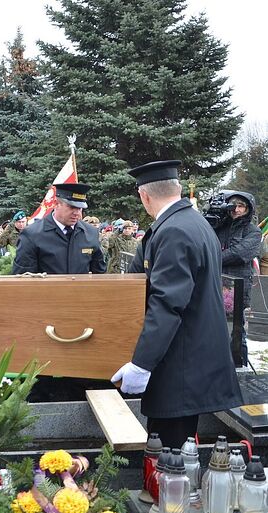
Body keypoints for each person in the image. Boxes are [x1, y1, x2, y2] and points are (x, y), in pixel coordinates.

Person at [112, 160, 242, 449]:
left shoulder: (173, 231)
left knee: (169, 456)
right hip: (191, 360)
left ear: (144, 196)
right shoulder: (192, 223)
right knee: (178, 450)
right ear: (178, 189)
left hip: (180, 366)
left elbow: (167, 303)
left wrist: (142, 364)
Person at [11, 183, 106, 275]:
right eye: (72, 207)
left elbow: (100, 274)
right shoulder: (32, 235)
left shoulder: (90, 233)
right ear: (56, 204)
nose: (76, 213)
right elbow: (23, 278)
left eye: (80, 208)